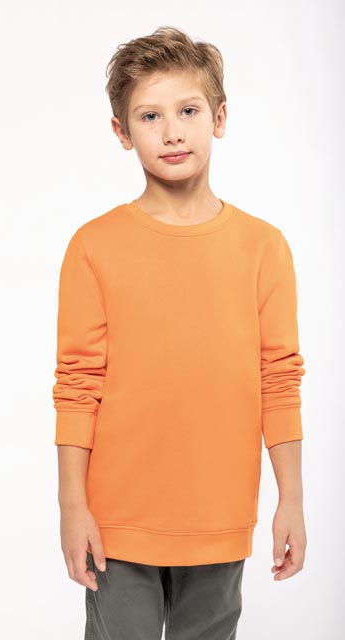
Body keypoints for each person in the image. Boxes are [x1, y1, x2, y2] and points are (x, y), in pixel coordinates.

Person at [52, 25, 307, 639]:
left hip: (219, 515)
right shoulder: (94, 247)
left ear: (219, 117)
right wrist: (72, 505)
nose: (172, 132)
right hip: (118, 520)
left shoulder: (263, 248)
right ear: (122, 132)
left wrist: (292, 499)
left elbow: (279, 379)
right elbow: (77, 385)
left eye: (188, 111)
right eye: (150, 116)